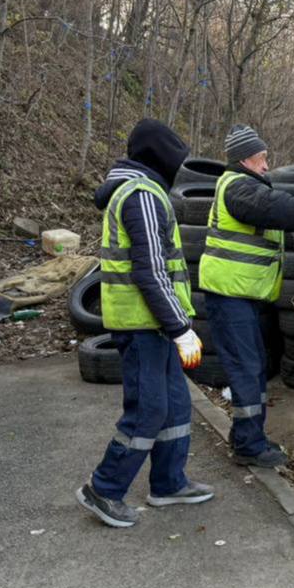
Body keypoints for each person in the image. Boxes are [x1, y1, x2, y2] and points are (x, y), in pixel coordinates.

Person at [76, 119, 215, 528]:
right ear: (162, 158)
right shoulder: (141, 195)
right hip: (144, 325)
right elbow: (151, 270)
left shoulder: (145, 191)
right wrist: (180, 327)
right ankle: (104, 488)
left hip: (153, 323)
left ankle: (168, 483)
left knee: (175, 404)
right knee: (148, 410)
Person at [199, 124, 294, 468]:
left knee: (252, 368)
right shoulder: (239, 187)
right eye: (262, 158)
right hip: (229, 296)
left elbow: (275, 216)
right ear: (245, 158)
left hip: (240, 295)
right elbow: (276, 208)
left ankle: (248, 438)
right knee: (247, 369)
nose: (267, 166)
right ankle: (250, 448)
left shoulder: (246, 187)